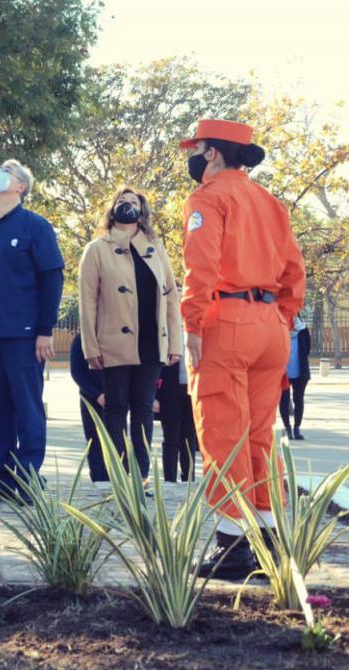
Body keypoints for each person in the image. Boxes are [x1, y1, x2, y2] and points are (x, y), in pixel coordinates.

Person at [179, 120, 306, 580]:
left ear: (212, 153)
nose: (193, 158)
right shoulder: (270, 203)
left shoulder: (208, 199)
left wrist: (192, 322)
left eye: (197, 149)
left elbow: (201, 263)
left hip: (226, 321)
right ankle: (269, 534)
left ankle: (232, 546)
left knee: (222, 432)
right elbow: (295, 270)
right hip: (270, 324)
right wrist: (281, 319)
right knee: (260, 433)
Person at [0, 160, 64, 504]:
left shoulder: (37, 227)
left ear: (21, 186)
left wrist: (45, 330)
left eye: (9, 171)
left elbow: (52, 278)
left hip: (23, 336)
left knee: (27, 409)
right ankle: (0, 480)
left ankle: (30, 480)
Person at [78, 188, 183, 482]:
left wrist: (175, 343)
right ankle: (118, 477)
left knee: (144, 410)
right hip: (113, 343)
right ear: (112, 210)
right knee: (115, 409)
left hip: (151, 342)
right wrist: (90, 347)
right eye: (121, 202)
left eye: (133, 202)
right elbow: (87, 303)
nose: (127, 206)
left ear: (142, 210)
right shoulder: (96, 249)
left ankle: (140, 476)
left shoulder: (156, 246)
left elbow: (171, 297)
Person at [157, 331, 199, 482]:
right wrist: (155, 396)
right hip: (170, 391)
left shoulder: (198, 327)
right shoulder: (168, 328)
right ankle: (170, 480)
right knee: (171, 438)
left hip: (193, 389)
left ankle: (189, 480)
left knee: (190, 438)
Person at [69, 333, 107, 482]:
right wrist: (97, 395)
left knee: (117, 441)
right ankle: (98, 480)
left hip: (116, 398)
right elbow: (76, 372)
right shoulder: (81, 339)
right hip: (90, 399)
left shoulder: (116, 336)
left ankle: (117, 480)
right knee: (94, 441)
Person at [279, 313, 311, 441]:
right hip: (283, 374)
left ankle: (297, 428)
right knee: (284, 401)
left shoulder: (303, 330)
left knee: (299, 400)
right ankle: (288, 428)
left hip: (300, 373)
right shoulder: (280, 329)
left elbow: (307, 349)